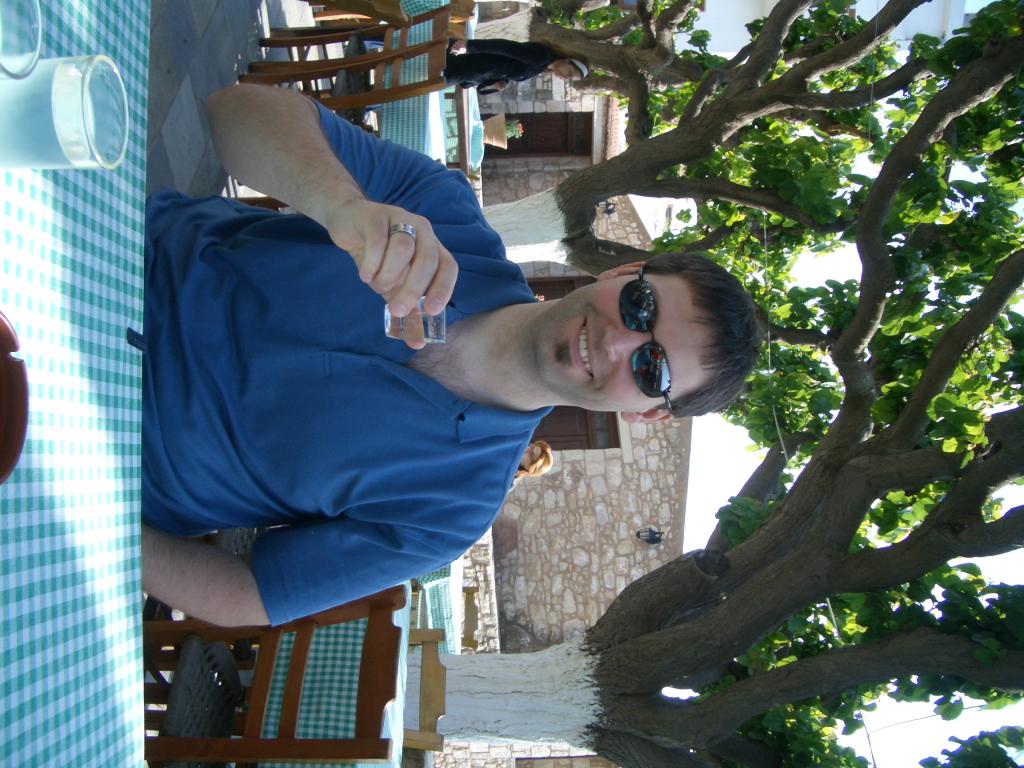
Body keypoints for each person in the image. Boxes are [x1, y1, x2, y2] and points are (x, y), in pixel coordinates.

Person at [141, 83, 761, 628]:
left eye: (652, 369)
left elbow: (252, 594)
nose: (617, 341)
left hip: (118, 459)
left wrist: (111, 523)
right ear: (622, 272)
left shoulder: (453, 511)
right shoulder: (445, 215)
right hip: (120, 256)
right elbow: (234, 111)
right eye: (641, 307)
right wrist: (342, 206)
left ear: (647, 413)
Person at [444, 37, 588, 94]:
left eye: (569, 79)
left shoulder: (544, 65)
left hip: (470, 69)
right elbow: (505, 47)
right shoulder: (541, 55)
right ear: (568, 60)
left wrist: (503, 81)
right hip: (464, 62)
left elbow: (510, 64)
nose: (565, 78)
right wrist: (469, 46)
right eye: (569, 73)